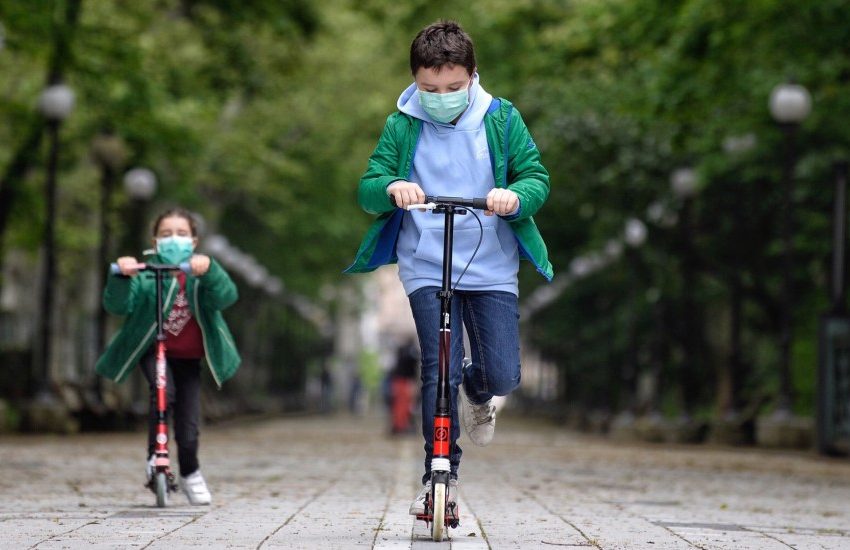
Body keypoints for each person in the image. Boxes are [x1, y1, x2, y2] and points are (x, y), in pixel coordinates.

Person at [345, 20, 552, 517]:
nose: (441, 97)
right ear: (415, 79)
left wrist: (515, 197)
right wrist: (393, 187)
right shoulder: (402, 122)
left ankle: (478, 393)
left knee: (502, 373)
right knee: (438, 369)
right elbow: (369, 186)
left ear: (472, 75)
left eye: (453, 88)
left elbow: (535, 178)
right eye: (429, 88)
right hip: (426, 264)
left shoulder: (502, 118)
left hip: (491, 265)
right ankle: (440, 475)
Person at [95, 207, 241, 506]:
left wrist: (210, 270)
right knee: (163, 392)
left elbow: (226, 296)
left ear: (194, 240)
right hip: (154, 350)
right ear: (155, 240)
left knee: (188, 425)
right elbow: (119, 306)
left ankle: (191, 471)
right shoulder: (145, 274)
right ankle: (155, 456)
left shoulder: (200, 274)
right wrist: (123, 276)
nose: (174, 239)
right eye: (166, 234)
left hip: (189, 359)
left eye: (182, 234)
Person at [390, 337, 420, 434]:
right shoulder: (412, 353)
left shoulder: (401, 351)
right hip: (405, 381)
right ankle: (401, 425)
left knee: (399, 404)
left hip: (398, 380)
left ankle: (399, 425)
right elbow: (413, 368)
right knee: (404, 404)